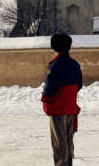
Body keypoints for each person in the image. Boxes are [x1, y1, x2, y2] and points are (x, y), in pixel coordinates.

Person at [41, 33, 83, 166]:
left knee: (59, 143)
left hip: (58, 108)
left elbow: (49, 89)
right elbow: (79, 85)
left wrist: (45, 99)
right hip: (70, 107)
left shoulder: (56, 65)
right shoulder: (75, 64)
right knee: (68, 140)